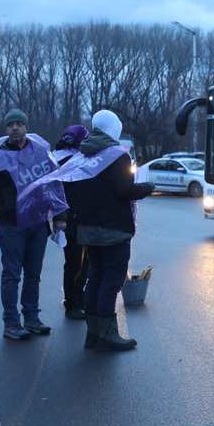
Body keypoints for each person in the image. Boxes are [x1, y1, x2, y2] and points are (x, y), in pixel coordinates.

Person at [0, 109, 64, 340]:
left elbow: (53, 185)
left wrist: (60, 215)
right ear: (6, 130)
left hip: (37, 222)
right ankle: (11, 323)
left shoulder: (39, 153)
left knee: (33, 274)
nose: (15, 128)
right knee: (12, 275)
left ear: (26, 127)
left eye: (19, 124)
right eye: (10, 125)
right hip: (11, 225)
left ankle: (32, 318)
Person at [71, 110, 154, 352]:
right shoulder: (117, 155)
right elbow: (124, 190)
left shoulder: (83, 153)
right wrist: (147, 187)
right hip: (113, 229)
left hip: (88, 227)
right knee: (111, 281)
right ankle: (108, 335)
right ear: (114, 129)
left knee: (95, 277)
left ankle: (93, 334)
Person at [52, 125, 91, 319]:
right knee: (77, 262)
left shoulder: (56, 157)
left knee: (78, 261)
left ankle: (77, 299)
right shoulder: (73, 160)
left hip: (70, 217)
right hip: (72, 217)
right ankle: (73, 302)